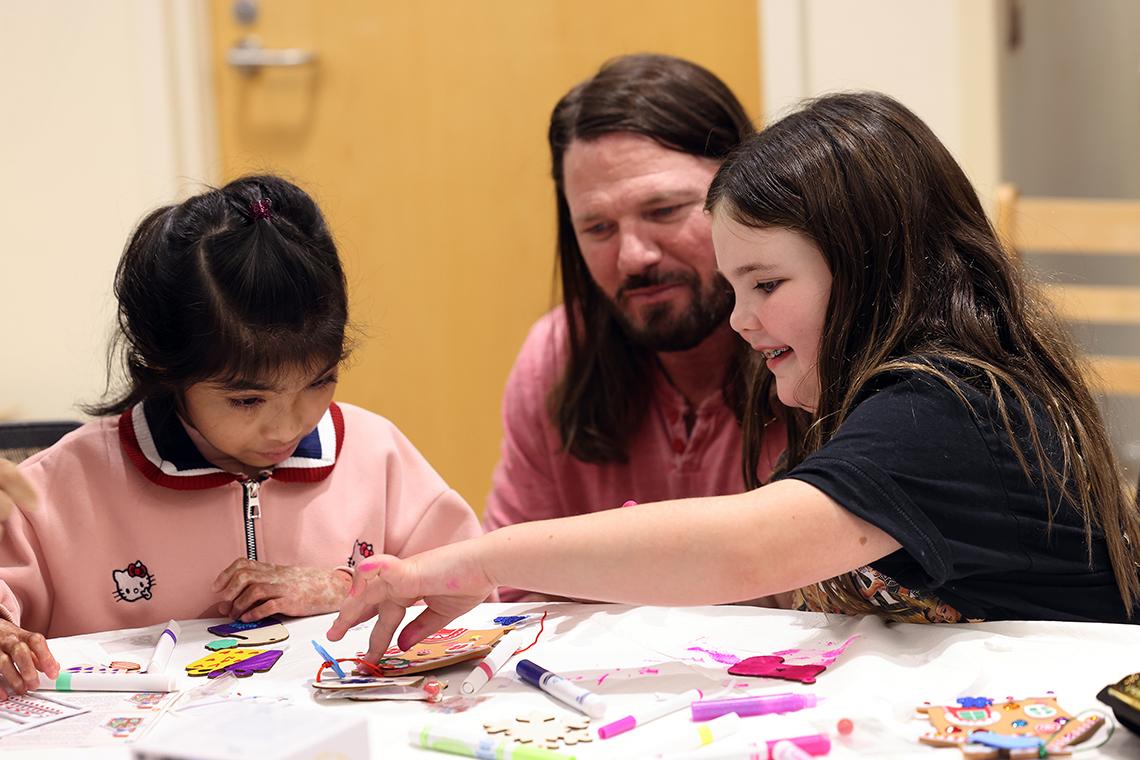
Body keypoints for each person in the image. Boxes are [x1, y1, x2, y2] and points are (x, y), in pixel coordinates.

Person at [331, 92, 1140, 658]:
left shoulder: (942, 409)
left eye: (767, 285)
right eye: (736, 286)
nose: (739, 319)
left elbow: (745, 549)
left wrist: (472, 561)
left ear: (873, 269)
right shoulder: (912, 394)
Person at [0, 176, 484, 693]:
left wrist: (346, 587)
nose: (289, 425)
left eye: (319, 382)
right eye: (247, 400)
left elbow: (479, 601)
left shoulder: (377, 455)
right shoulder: (63, 487)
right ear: (166, 368)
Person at [484, 54, 789, 600]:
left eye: (665, 210)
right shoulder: (554, 359)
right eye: (598, 227)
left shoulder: (820, 350)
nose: (633, 257)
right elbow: (515, 596)